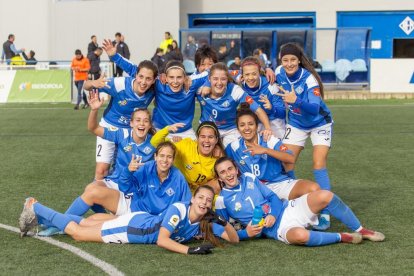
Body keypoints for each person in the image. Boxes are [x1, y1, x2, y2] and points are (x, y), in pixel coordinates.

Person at [38, 91, 158, 236]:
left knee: (93, 192)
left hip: (132, 192)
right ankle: (104, 220)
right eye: (138, 120)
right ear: (131, 123)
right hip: (115, 182)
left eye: (145, 121)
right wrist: (94, 109)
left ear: (150, 124)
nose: (141, 123)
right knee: (91, 187)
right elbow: (93, 128)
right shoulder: (121, 134)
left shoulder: (154, 142)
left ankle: (59, 224)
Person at [213, 157, 385, 247]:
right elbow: (223, 231)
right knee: (300, 236)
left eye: (230, 169)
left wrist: (273, 213)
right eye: (223, 172)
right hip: (277, 229)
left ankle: (362, 230)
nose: (228, 174)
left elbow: (274, 198)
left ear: (236, 169)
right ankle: (343, 237)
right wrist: (246, 233)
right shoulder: (221, 200)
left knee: (325, 195)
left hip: (288, 209)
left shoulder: (250, 177)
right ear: (219, 177)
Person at [19, 186, 239, 254]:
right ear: (193, 198)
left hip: (139, 221)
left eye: (208, 200)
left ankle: (46, 219)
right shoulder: (179, 210)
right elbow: (162, 240)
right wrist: (190, 251)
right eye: (200, 197)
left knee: (87, 222)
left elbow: (235, 240)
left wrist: (223, 222)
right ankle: (34, 206)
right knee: (78, 233)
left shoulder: (204, 221)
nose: (203, 202)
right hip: (134, 229)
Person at [275, 42, 333, 230]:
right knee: (287, 162)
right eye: (285, 60)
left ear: (299, 60)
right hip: (297, 123)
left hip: (319, 123)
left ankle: (325, 209)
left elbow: (315, 107)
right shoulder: (278, 72)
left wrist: (296, 100)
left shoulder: (309, 80)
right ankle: (296, 202)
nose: (289, 63)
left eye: (293, 59)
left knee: (318, 163)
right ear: (280, 61)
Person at [84, 42, 158, 181]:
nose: (143, 82)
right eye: (141, 77)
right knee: (101, 171)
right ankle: (96, 198)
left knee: (130, 170)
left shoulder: (154, 89)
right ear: (135, 75)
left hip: (131, 132)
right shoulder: (119, 84)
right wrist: (93, 83)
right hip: (109, 127)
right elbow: (86, 85)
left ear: (154, 80)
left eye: (148, 79)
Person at [226, 103, 319, 201]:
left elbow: (291, 158)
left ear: (257, 126)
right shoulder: (234, 146)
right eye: (242, 125)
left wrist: (266, 150)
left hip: (278, 184)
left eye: (251, 124)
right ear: (238, 129)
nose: (247, 128)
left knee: (314, 188)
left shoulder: (268, 140)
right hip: (254, 190)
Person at [109, 50, 210, 139]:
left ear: (185, 77)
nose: (175, 81)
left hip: (185, 132)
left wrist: (207, 84)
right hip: (159, 130)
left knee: (198, 157)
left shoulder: (191, 82)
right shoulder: (159, 83)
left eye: (179, 77)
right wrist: (114, 56)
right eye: (171, 77)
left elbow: (213, 72)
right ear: (165, 77)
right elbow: (135, 70)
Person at [197, 62, 272, 146]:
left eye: (223, 79)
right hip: (208, 127)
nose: (219, 83)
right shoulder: (199, 88)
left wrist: (268, 128)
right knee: (207, 152)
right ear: (209, 79)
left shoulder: (235, 91)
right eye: (215, 79)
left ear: (227, 79)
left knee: (235, 152)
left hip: (230, 130)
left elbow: (258, 110)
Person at [152, 121, 225, 194]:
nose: (206, 140)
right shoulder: (186, 146)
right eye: (203, 136)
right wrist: (167, 129)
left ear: (216, 140)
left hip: (200, 193)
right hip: (178, 187)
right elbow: (155, 143)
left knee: (219, 183)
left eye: (211, 137)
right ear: (197, 138)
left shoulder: (219, 157)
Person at [239, 56, 285, 139]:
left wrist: (272, 108)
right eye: (247, 74)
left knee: (278, 148)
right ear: (242, 75)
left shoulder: (271, 85)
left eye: (254, 74)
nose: (250, 78)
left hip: (273, 120)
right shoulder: (240, 86)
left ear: (259, 72)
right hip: (253, 122)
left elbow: (283, 113)